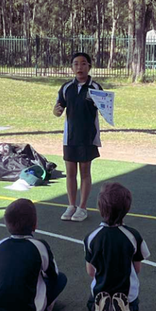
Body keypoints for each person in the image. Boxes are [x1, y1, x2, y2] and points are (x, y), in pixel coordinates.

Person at [0, 198, 67, 311]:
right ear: (35, 224)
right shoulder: (39, 246)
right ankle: (44, 306)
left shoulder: (0, 245)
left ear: (7, 224)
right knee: (61, 278)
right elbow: (53, 275)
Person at [84, 182, 151, 311]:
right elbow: (137, 268)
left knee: (91, 303)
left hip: (100, 289)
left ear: (100, 208)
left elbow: (90, 271)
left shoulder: (92, 237)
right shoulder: (133, 236)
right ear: (127, 209)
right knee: (134, 303)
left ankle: (101, 307)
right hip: (128, 294)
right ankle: (124, 308)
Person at [53, 51, 103, 222]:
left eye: (83, 63)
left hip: (87, 136)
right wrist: (56, 111)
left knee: (85, 172)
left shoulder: (96, 88)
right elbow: (58, 108)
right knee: (70, 172)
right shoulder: (66, 88)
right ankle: (71, 205)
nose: (79, 67)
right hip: (70, 137)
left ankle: (82, 207)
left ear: (89, 66)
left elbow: (105, 108)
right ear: (71, 67)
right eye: (76, 64)